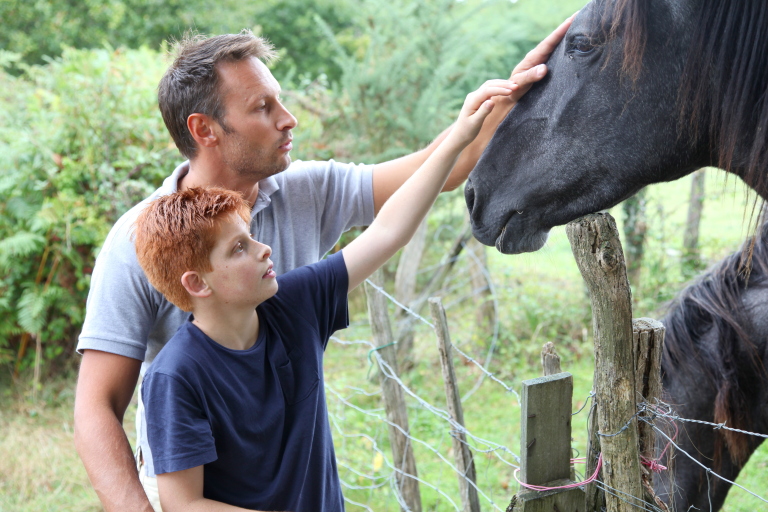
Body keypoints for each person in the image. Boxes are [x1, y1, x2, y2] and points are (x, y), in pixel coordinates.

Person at [73, 19, 573, 512]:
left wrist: (501, 104)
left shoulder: (301, 239)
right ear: (205, 130)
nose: (289, 118)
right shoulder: (139, 247)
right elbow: (98, 408)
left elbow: (414, 192)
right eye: (262, 107)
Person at [134, 78, 512, 511]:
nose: (263, 249)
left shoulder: (295, 303)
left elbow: (388, 231)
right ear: (197, 283)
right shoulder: (175, 377)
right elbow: (185, 505)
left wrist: (459, 138)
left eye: (251, 236)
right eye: (239, 248)